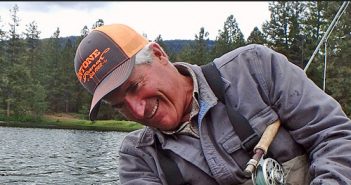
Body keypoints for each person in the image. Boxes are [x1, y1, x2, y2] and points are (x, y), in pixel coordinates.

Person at [74, 24, 351, 185]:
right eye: (119, 104)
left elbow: (335, 137)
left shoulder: (254, 68)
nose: (136, 110)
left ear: (158, 54)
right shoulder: (139, 158)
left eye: (134, 87)